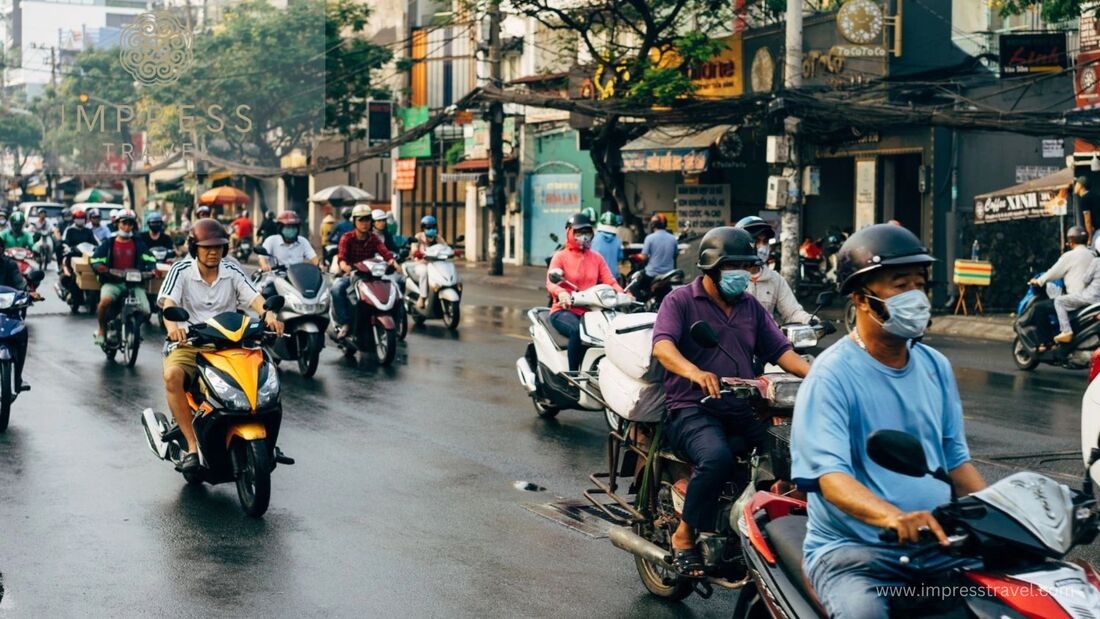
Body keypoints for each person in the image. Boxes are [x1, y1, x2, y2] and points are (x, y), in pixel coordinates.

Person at [790, 224, 986, 618]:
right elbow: (831, 478)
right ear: (862, 299)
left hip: (935, 546)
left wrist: (1006, 515)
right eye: (901, 285)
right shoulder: (832, 376)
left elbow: (955, 461)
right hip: (855, 556)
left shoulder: (935, 366)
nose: (916, 297)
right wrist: (893, 516)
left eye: (920, 284)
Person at [651, 227, 810, 578]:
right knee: (717, 457)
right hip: (691, 407)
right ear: (710, 268)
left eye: (746, 266)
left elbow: (781, 350)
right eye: (733, 266)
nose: (742, 274)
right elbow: (662, 346)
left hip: (739, 406)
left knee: (790, 452)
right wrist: (694, 372)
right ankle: (684, 535)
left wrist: (816, 375)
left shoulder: (750, 306)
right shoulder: (679, 301)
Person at [158, 219, 283, 473]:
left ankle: (268, 441)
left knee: (265, 378)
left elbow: (255, 298)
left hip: (232, 342)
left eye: (218, 247)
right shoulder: (181, 270)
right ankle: (192, 447)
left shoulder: (232, 269)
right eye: (206, 247)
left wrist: (269, 315)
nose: (213, 252)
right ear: (195, 248)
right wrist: (174, 330)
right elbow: (168, 304)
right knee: (172, 376)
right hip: (193, 343)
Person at [545, 213, 626, 372]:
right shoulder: (560, 256)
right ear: (569, 233)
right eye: (579, 232)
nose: (584, 236)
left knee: (612, 332)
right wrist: (561, 292)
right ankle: (573, 376)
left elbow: (610, 281)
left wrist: (623, 294)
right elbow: (550, 281)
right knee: (578, 331)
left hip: (591, 311)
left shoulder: (596, 258)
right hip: (564, 310)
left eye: (587, 232)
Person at [331, 204, 403, 340]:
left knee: (395, 290)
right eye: (361, 220)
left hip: (372, 276)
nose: (364, 223)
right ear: (354, 222)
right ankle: (345, 322)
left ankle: (396, 322)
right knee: (336, 289)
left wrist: (394, 263)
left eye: (367, 220)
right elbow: (342, 259)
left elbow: (386, 253)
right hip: (353, 275)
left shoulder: (373, 238)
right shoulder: (347, 238)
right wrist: (347, 267)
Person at [89, 210, 156, 346]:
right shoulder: (109, 243)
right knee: (104, 303)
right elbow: (95, 260)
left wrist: (152, 269)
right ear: (117, 224)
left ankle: (132, 327)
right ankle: (102, 329)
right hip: (113, 282)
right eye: (124, 223)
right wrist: (103, 269)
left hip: (135, 284)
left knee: (146, 311)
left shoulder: (139, 244)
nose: (127, 227)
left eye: (130, 223)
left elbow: (150, 259)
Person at [735, 216, 815, 324]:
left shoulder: (775, 279)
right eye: (756, 241)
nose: (762, 246)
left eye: (765, 241)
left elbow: (792, 312)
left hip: (768, 338)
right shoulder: (730, 279)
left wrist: (811, 321)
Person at [1029, 226, 1096, 348]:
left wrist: (1038, 281)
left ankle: (1047, 343)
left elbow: (1053, 273)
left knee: (1039, 308)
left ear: (1070, 241)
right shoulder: (1094, 255)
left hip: (1076, 300)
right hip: (1094, 300)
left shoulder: (1069, 256)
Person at [0, 235, 41, 390]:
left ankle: (17, 378)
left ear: (2, 250)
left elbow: (19, 282)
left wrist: (29, 293)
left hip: (8, 310)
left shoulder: (10, 265)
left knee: (21, 333)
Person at [1053, 256, 1100, 344]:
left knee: (1059, 301)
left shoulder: (1096, 261)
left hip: (1090, 297)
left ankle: (1066, 331)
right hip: (1096, 302)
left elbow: (1086, 279)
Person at [406, 215, 449, 309]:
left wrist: (453, 252)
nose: (432, 229)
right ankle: (423, 297)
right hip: (420, 264)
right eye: (428, 227)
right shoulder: (418, 237)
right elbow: (414, 249)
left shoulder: (438, 238)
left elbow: (446, 247)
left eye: (433, 227)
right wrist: (416, 253)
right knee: (424, 271)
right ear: (423, 228)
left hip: (435, 264)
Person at [636, 213, 679, 295]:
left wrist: (634, 257)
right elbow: (675, 255)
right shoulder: (673, 239)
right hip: (669, 274)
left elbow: (643, 257)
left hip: (652, 274)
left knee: (635, 286)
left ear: (652, 225)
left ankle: (643, 305)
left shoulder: (649, 238)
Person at [592, 212, 624, 278]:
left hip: (597, 275)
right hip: (613, 276)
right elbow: (620, 257)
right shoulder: (617, 240)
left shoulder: (593, 238)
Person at [1078, 176, 1100, 244]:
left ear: (1080, 185)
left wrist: (1090, 237)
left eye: (1076, 183)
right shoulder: (1096, 196)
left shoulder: (1084, 199)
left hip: (1097, 233)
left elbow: (1087, 219)